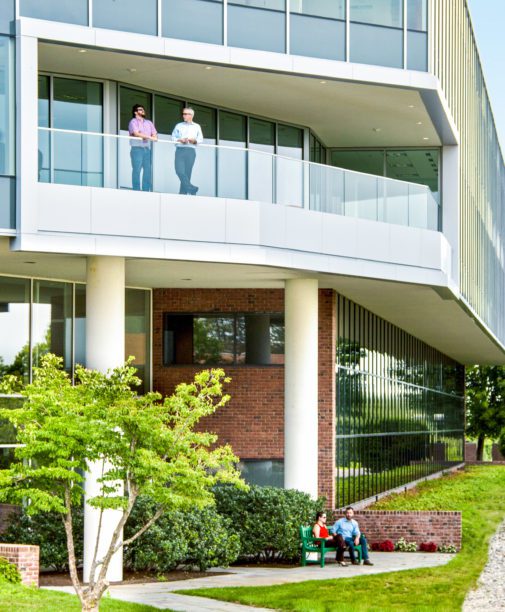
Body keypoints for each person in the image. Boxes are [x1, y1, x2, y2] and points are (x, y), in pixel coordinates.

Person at [171, 107, 203, 195]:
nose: (183, 115)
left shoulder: (197, 126)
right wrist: (180, 140)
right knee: (179, 171)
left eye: (185, 114)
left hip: (191, 151)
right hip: (180, 150)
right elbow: (173, 137)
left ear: (191, 115)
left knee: (187, 173)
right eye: (183, 114)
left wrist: (194, 141)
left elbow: (200, 139)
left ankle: (183, 193)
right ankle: (192, 188)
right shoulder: (178, 125)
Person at [128, 104, 158, 191]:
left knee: (148, 170)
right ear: (135, 112)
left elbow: (155, 135)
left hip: (147, 150)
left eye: (143, 109)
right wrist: (149, 137)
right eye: (140, 109)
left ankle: (146, 190)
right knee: (137, 170)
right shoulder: (133, 122)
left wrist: (150, 137)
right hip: (137, 149)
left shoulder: (149, 123)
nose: (143, 110)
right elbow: (136, 133)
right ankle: (136, 190)